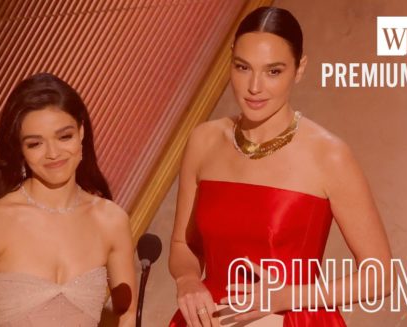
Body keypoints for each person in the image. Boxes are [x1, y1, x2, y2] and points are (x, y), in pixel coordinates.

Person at [168, 6, 392, 327]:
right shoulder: (203, 140)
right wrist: (187, 280)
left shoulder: (329, 155)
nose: (255, 86)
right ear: (230, 61)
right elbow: (182, 246)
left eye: (273, 71)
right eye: (243, 67)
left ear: (299, 69)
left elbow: (380, 275)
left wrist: (286, 296)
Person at [0, 73, 136, 326]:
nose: (53, 153)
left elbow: (127, 315)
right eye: (35, 144)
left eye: (64, 136)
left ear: (81, 132)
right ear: (20, 149)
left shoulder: (111, 220)